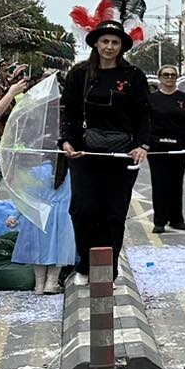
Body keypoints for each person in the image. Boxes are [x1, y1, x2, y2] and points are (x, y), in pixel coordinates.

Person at [58, 19, 150, 277]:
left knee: (113, 211)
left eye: (115, 42)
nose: (109, 46)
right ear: (96, 43)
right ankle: (87, 260)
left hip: (122, 155)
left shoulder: (133, 76)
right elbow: (69, 113)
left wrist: (142, 145)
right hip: (84, 152)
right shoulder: (79, 74)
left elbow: (144, 114)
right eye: (105, 41)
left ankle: (107, 267)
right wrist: (67, 141)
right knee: (83, 208)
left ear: (122, 46)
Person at [145, 65, 185, 232]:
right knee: (159, 183)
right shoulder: (151, 99)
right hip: (157, 148)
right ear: (159, 77)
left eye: (173, 75)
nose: (169, 78)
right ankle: (159, 221)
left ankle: (176, 219)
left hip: (180, 147)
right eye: (166, 75)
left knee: (176, 183)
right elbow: (144, 123)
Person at [14, 152, 74, 294]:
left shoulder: (36, 172)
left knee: (39, 250)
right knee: (58, 249)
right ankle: (52, 283)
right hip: (62, 216)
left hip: (40, 214)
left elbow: (27, 197)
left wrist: (15, 216)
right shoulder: (72, 174)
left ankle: (39, 285)